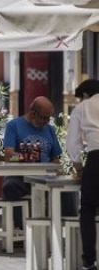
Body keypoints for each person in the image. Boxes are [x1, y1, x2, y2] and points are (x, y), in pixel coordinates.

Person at [2, 96, 62, 227]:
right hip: (20, 177)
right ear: (33, 113)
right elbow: (8, 156)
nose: (46, 121)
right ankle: (21, 228)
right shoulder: (14, 126)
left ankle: (59, 229)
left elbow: (55, 158)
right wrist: (24, 157)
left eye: (49, 118)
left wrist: (58, 169)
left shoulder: (50, 129)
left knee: (66, 191)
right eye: (44, 118)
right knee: (10, 187)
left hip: (45, 177)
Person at [66, 80, 99, 270]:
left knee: (87, 209)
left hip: (96, 159)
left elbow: (73, 142)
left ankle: (89, 261)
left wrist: (78, 166)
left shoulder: (82, 108)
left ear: (85, 94)